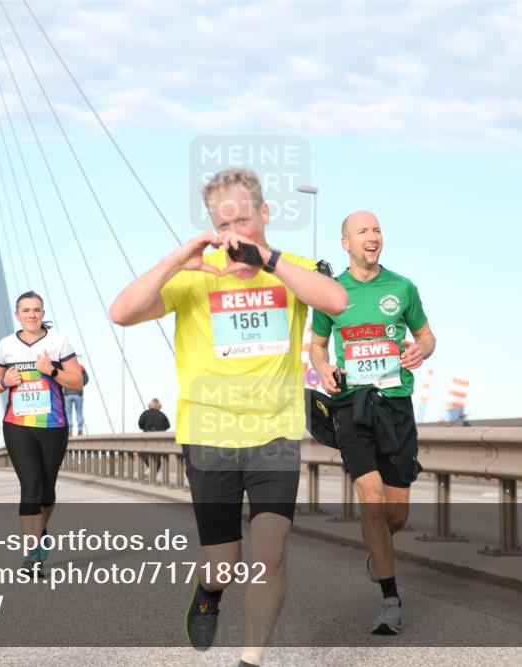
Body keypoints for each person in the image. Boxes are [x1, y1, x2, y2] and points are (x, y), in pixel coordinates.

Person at [109, 168, 347, 662]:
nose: (235, 229)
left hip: (274, 433)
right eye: (225, 222)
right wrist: (180, 259)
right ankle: (210, 592)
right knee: (223, 563)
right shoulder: (197, 275)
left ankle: (249, 659)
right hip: (209, 432)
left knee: (271, 552)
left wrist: (271, 261)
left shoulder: (292, 269)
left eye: (244, 217)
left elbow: (337, 301)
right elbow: (122, 312)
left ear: (265, 213)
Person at [309, 210, 436, 635]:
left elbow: (427, 335)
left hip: (396, 405)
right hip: (352, 406)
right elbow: (318, 346)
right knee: (371, 497)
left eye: (377, 229)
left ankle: (378, 548)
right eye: (362, 230)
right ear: (345, 243)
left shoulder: (402, 287)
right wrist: (323, 369)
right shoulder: (331, 293)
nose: (373, 235)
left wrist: (422, 350)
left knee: (395, 514)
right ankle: (390, 599)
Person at [0, 291, 83, 572]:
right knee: (30, 486)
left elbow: (76, 382)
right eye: (26, 310)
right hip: (17, 426)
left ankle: (40, 532)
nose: (32, 315)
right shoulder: (6, 345)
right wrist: (4, 381)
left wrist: (51, 370)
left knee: (47, 490)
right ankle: (31, 551)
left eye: (37, 310)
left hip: (53, 426)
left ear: (43, 313)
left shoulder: (58, 341)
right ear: (17, 314)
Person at [62, 362, 88, 436]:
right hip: (78, 393)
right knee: (79, 412)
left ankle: (69, 432)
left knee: (68, 413)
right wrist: (79, 385)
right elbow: (86, 379)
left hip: (67, 394)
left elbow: (61, 380)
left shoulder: (65, 368)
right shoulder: (81, 368)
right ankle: (80, 431)